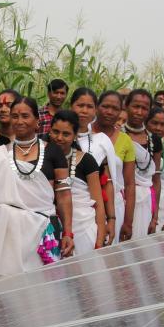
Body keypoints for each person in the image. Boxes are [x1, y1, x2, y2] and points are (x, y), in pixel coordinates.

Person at [0, 96, 74, 276]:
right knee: (5, 287)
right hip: (5, 232)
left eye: (25, 116)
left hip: (42, 228)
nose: (19, 121)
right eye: (15, 116)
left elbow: (63, 195)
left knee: (42, 287)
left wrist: (68, 232)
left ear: (37, 120)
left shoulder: (53, 151)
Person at [49, 110, 107, 253]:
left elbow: (98, 203)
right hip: (50, 228)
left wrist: (99, 241)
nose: (59, 138)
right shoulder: (41, 158)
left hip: (83, 227)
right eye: (55, 132)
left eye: (66, 134)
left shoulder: (86, 160)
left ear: (75, 136)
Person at [70, 87, 118, 245]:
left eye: (89, 106)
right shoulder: (58, 138)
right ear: (71, 106)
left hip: (90, 215)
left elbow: (107, 183)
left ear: (95, 110)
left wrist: (110, 219)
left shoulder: (101, 141)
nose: (84, 111)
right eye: (80, 105)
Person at [93, 90, 137, 241]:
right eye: (105, 106)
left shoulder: (125, 141)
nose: (109, 112)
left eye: (115, 108)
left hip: (115, 206)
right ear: (97, 106)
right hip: (86, 203)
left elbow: (130, 184)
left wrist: (128, 222)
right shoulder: (83, 134)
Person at [123, 89, 163, 238]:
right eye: (135, 106)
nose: (139, 112)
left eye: (144, 108)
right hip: (122, 199)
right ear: (126, 106)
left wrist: (155, 215)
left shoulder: (154, 140)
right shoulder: (116, 135)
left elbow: (156, 180)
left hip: (145, 202)